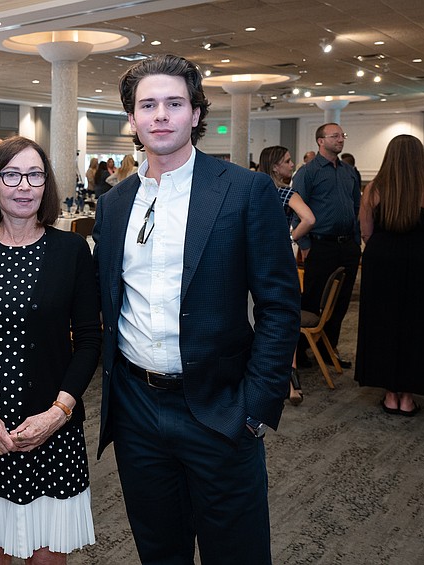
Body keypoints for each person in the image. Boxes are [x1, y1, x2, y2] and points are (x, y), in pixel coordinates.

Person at [93, 54, 300, 564]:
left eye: (174, 103)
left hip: (220, 407)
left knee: (238, 553)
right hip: (137, 409)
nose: (160, 114)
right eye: (147, 105)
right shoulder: (116, 203)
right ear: (132, 119)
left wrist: (255, 408)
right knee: (159, 551)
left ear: (195, 113)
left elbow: (279, 306)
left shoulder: (245, 190)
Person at [0, 136, 100, 564]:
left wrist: (57, 413)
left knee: (47, 558)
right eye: (11, 175)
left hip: (53, 430)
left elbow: (89, 340)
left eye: (34, 175)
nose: (23, 186)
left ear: (46, 185)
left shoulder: (71, 251)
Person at [355, 134, 424, 416]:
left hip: (382, 260)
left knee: (383, 323)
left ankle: (390, 394)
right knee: (419, 325)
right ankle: (407, 396)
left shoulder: (373, 189)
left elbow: (366, 233)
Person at [292, 123, 361, 369]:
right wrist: (305, 244)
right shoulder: (307, 172)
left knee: (340, 302)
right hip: (320, 246)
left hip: (347, 246)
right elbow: (296, 210)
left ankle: (328, 349)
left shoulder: (350, 171)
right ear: (320, 141)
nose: (340, 139)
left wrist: (356, 240)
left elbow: (355, 209)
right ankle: (300, 353)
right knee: (312, 299)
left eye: (342, 135)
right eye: (334, 136)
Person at [258, 145, 316, 405]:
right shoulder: (284, 192)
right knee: (284, 316)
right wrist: (289, 238)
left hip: (257, 259)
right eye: (288, 161)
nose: (292, 165)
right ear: (274, 167)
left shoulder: (255, 191)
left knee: (259, 317)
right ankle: (291, 379)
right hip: (280, 261)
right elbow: (309, 219)